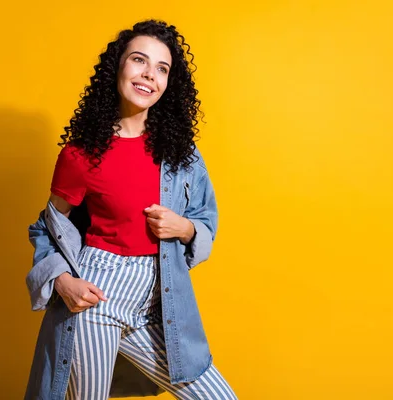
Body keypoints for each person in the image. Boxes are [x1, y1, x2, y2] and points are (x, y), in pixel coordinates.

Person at [24, 19, 238, 400]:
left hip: (158, 302)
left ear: (169, 83)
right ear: (118, 68)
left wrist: (184, 228)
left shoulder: (181, 155)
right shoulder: (80, 154)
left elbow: (204, 219)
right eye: (139, 60)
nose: (148, 75)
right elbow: (47, 228)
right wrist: (62, 281)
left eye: (161, 68)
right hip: (96, 296)